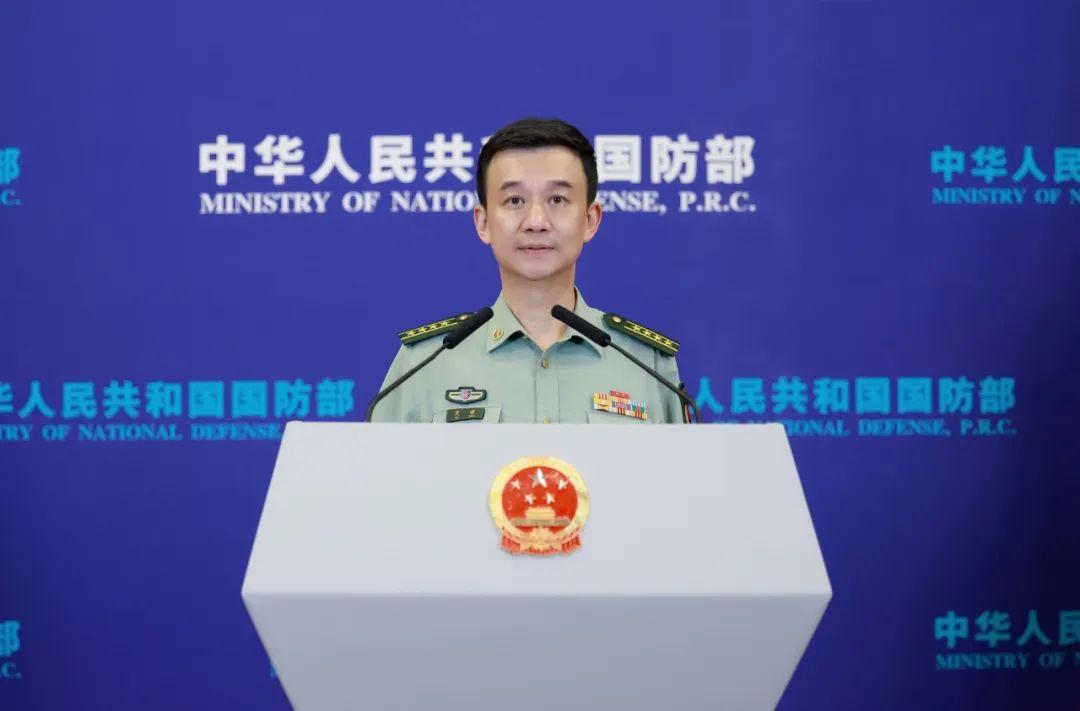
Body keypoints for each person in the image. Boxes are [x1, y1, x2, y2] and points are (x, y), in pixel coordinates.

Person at [370, 118, 687, 424]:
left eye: (557, 199)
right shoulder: (426, 363)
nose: (536, 222)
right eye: (515, 200)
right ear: (483, 222)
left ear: (590, 220)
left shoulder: (647, 365)